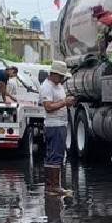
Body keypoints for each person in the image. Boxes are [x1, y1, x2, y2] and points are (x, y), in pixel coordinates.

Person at [40, 61, 76, 196]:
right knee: (56, 155)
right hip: (54, 125)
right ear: (54, 74)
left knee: (53, 155)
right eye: (61, 76)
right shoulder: (47, 87)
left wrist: (67, 103)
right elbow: (48, 107)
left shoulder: (57, 85)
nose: (62, 79)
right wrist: (64, 103)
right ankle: (54, 186)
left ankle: (51, 186)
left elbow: (59, 103)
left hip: (60, 124)